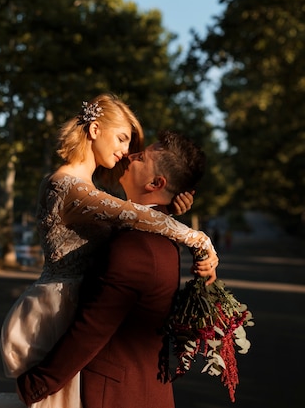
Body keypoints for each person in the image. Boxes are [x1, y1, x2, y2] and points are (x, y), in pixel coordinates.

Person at [0, 94, 218, 408]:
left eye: (133, 148)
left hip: (71, 315)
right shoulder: (66, 186)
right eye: (121, 139)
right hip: (54, 310)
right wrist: (198, 240)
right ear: (94, 131)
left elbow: (132, 220)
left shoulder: (98, 198)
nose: (126, 154)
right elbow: (132, 216)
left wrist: (170, 212)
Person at [17, 130, 206, 408]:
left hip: (114, 396)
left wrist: (36, 385)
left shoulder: (137, 247)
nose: (130, 156)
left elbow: (93, 326)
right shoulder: (158, 233)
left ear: (156, 182)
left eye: (141, 157)